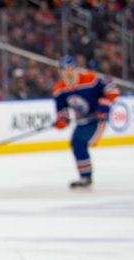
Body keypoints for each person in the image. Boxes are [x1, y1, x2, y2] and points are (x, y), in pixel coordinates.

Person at [53, 55, 119, 189]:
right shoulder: (60, 88)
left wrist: (104, 106)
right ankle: (85, 176)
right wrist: (62, 120)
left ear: (76, 69)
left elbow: (112, 89)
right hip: (82, 121)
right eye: (64, 69)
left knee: (79, 142)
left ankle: (86, 176)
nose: (67, 72)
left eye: (70, 68)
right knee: (76, 143)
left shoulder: (90, 79)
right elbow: (62, 109)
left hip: (97, 118)